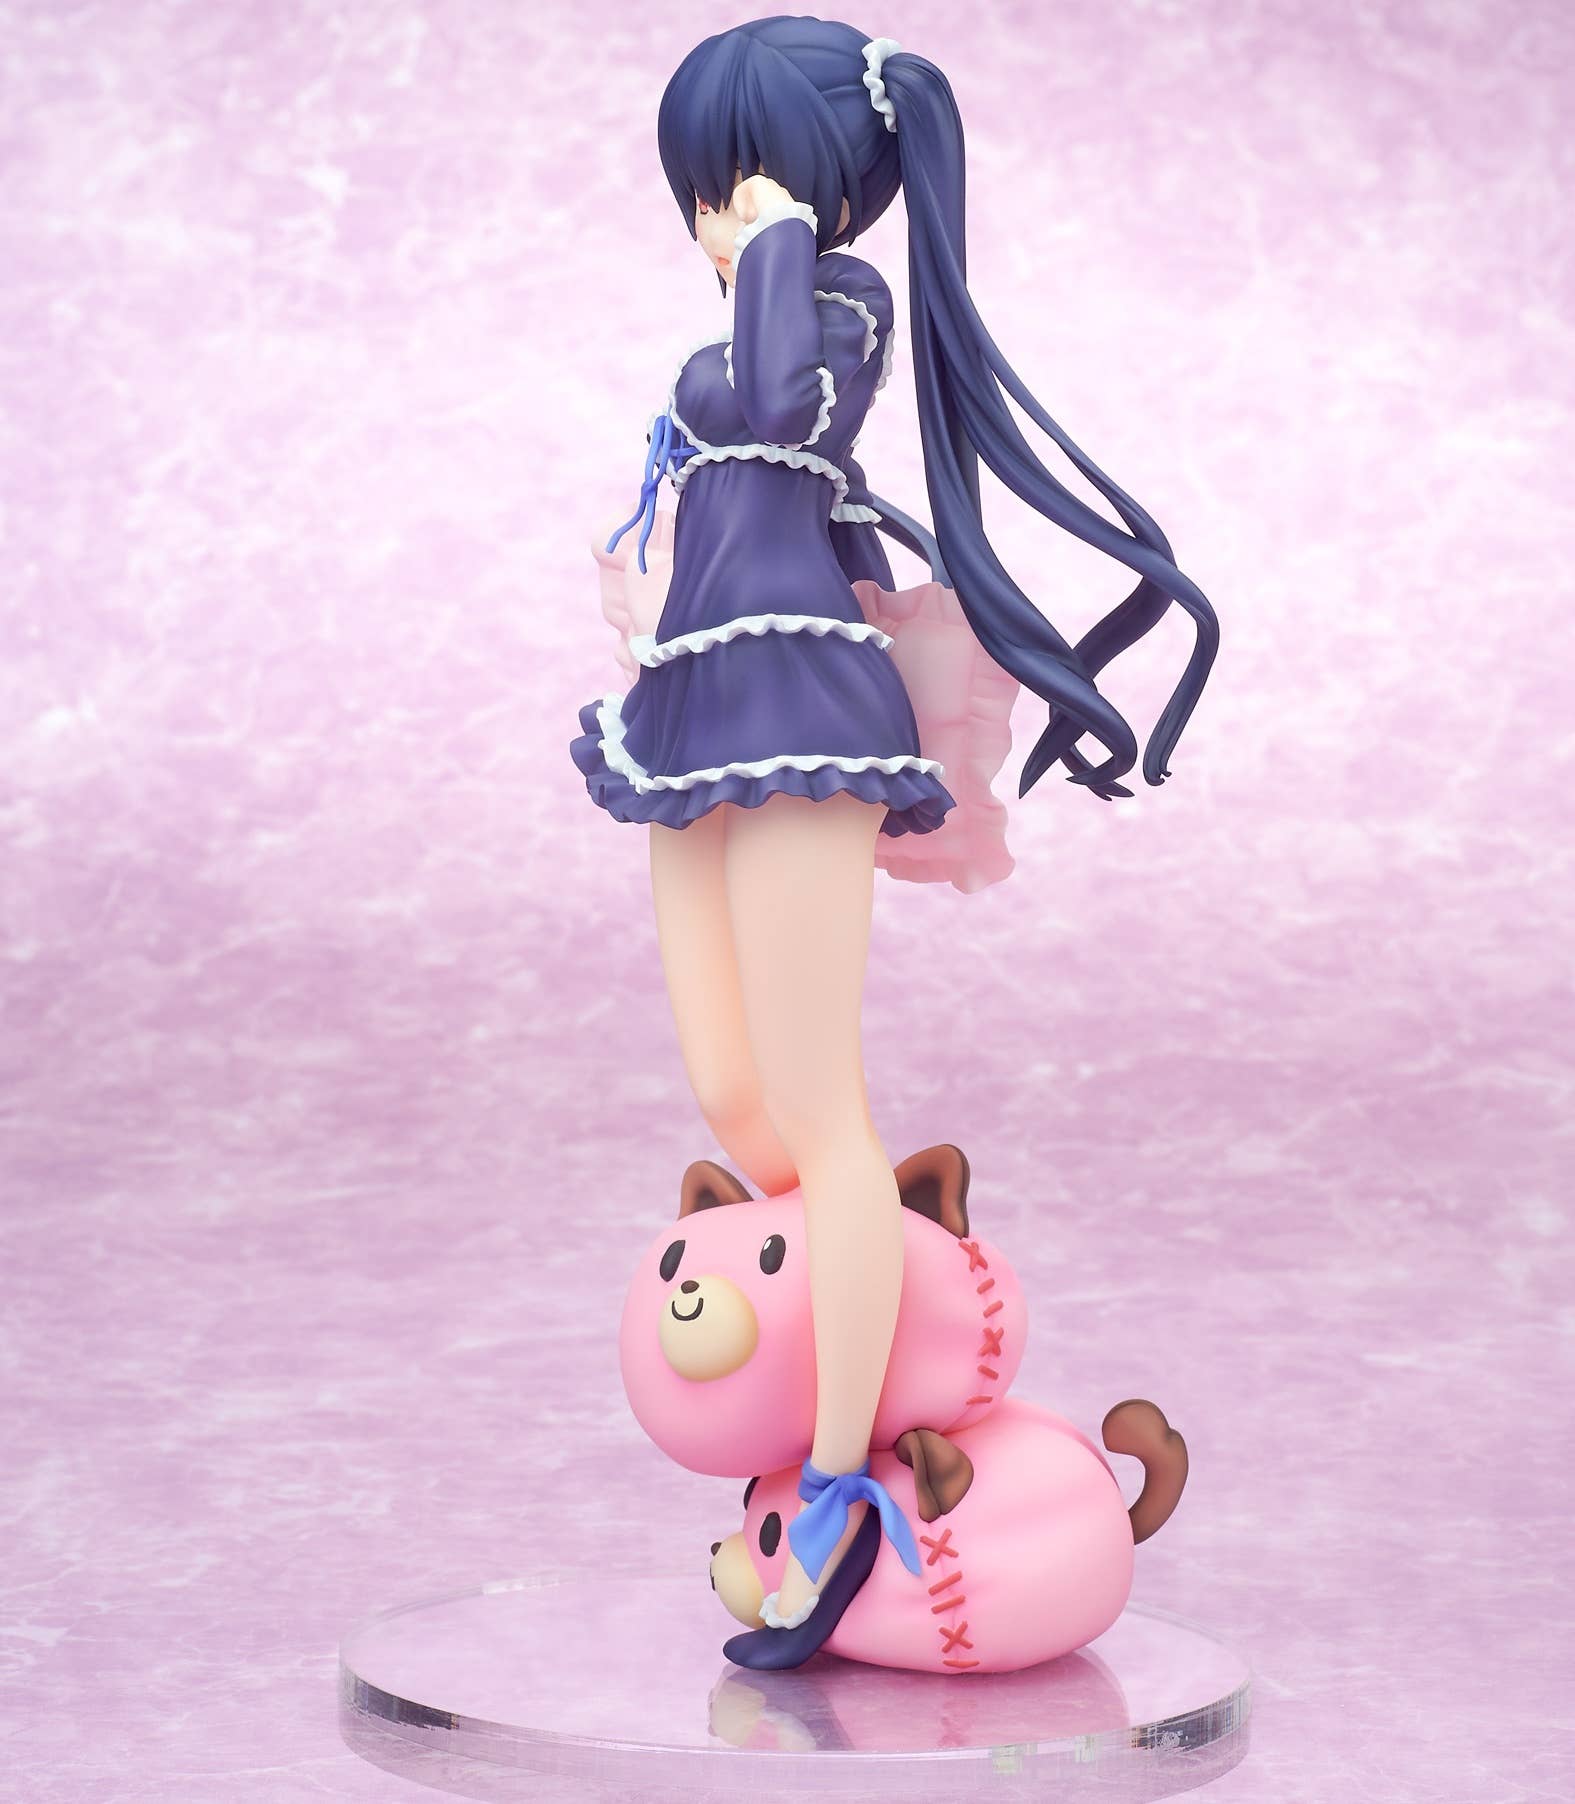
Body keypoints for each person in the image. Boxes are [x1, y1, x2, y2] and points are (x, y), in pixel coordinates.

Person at [569, 18, 1218, 1670]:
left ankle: (840, 1477)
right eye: (704, 191)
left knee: (820, 1106)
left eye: (729, 180)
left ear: (797, 181)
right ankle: (875, 1328)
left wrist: (784, 239)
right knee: (737, 1098)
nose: (707, 216)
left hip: (797, 707)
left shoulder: (832, 304)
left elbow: (778, 404)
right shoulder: (764, 302)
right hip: (695, 699)